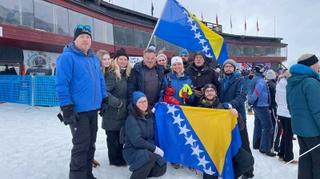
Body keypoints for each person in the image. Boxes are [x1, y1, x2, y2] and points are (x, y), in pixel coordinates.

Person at [55, 24, 107, 179]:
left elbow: (100, 81)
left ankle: (87, 174)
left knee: (91, 144)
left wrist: (103, 99)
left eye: (88, 37)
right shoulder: (67, 57)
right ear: (75, 39)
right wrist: (66, 106)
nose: (86, 39)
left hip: (92, 110)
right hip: (78, 111)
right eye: (82, 36)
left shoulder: (93, 59)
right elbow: (61, 83)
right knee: (81, 146)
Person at [198, 84, 254, 179]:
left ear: (216, 93)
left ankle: (230, 175)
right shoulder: (198, 109)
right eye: (207, 91)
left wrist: (237, 116)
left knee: (247, 161)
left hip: (226, 143)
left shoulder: (224, 108)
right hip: (209, 147)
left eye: (212, 90)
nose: (209, 92)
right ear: (204, 93)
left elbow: (240, 127)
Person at [218, 59, 254, 178]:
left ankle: (248, 171)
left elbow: (242, 96)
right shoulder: (221, 80)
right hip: (224, 117)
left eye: (230, 66)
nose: (228, 68)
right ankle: (233, 168)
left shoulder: (240, 79)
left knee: (243, 144)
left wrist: (229, 105)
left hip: (238, 117)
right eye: (226, 66)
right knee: (230, 143)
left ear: (234, 68)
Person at [287, 54, 320, 179]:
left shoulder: (292, 81)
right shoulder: (311, 82)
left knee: (306, 159)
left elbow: (290, 107)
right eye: (317, 63)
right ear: (311, 65)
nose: (319, 66)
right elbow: (318, 110)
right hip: (314, 131)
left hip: (300, 129)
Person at [123, 91, 167, 179]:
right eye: (140, 102)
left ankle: (141, 172)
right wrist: (154, 149)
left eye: (145, 101)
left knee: (161, 166)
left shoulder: (150, 116)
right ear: (135, 104)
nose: (143, 104)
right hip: (132, 150)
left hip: (146, 150)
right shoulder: (131, 119)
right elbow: (137, 141)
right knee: (148, 158)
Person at [101, 48, 131, 166]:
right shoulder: (112, 74)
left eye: (125, 59)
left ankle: (120, 157)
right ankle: (114, 160)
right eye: (121, 59)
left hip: (122, 112)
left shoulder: (126, 74)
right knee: (113, 137)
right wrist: (117, 103)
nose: (123, 61)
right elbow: (104, 92)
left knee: (120, 137)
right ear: (116, 60)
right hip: (112, 112)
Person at [248, 64, 276, 157]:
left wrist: (251, 103)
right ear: (260, 71)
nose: (265, 72)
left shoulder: (255, 79)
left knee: (258, 124)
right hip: (262, 105)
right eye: (264, 70)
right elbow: (256, 92)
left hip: (258, 105)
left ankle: (256, 144)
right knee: (268, 127)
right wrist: (251, 101)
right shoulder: (260, 81)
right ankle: (265, 148)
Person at [276, 69, 296, 163]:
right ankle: (288, 157)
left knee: (284, 134)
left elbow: (277, 99)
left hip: (280, 112)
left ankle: (281, 153)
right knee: (289, 135)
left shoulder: (279, 84)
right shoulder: (290, 85)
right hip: (288, 113)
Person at [264, 69, 281, 152]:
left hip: (269, 107)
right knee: (276, 127)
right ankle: (274, 146)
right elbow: (276, 97)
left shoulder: (266, 83)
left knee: (273, 126)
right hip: (273, 107)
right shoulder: (273, 85)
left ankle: (272, 145)